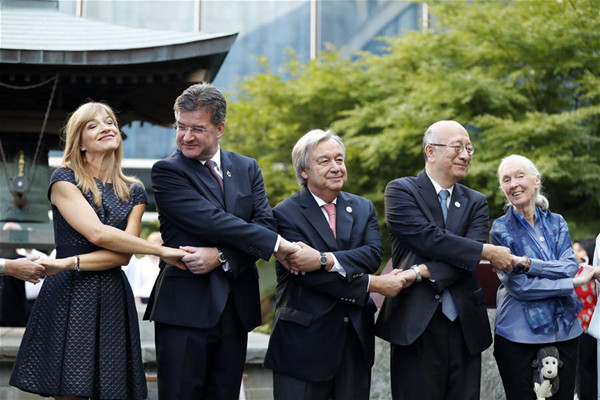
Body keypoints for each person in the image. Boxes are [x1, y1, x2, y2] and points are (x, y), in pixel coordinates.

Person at [9, 101, 188, 400]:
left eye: (110, 122)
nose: (106, 127)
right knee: (70, 393)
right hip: (69, 294)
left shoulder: (134, 191)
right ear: (79, 142)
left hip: (110, 294)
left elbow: (123, 254)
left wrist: (67, 263)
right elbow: (99, 233)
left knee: (113, 392)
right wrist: (164, 252)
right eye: (93, 125)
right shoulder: (65, 179)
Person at [144, 82, 300, 400]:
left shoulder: (247, 168)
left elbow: (263, 222)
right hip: (184, 308)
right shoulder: (167, 171)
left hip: (235, 307)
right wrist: (278, 245)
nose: (186, 136)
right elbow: (213, 221)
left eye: (197, 129)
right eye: (180, 127)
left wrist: (222, 257)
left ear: (220, 128)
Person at [264, 129, 417, 400]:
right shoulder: (283, 214)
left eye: (339, 160)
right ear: (303, 171)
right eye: (324, 161)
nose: (336, 167)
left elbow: (371, 255)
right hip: (303, 346)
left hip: (354, 341)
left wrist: (323, 259)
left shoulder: (362, 207)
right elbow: (308, 277)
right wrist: (374, 283)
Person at [375, 120, 515, 400]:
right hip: (415, 323)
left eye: (469, 148)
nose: (465, 155)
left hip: (465, 326)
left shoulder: (475, 201)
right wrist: (484, 252)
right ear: (430, 151)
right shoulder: (401, 190)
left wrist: (419, 271)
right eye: (457, 147)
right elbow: (427, 238)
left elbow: (467, 256)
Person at [490, 154, 598, 400]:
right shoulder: (501, 229)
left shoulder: (557, 222)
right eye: (506, 180)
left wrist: (528, 264)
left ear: (536, 180)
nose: (513, 184)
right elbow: (520, 287)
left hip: (565, 330)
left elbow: (569, 265)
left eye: (519, 176)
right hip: (518, 334)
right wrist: (569, 283)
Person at [573, 238, 597, 400]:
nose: (575, 254)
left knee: (592, 368)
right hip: (580, 327)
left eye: (579, 250)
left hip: (593, 326)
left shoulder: (593, 272)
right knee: (582, 369)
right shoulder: (576, 271)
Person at [123, 231, 163, 303]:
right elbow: (136, 282)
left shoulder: (164, 263)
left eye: (160, 241)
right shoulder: (140, 263)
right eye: (155, 241)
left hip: (161, 297)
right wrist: (137, 300)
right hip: (145, 297)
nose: (157, 243)